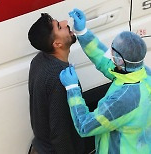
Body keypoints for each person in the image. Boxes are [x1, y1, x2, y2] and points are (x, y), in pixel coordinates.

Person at [59, 8, 151, 154]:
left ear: (120, 60)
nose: (110, 54)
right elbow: (105, 61)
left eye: (113, 52)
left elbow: (84, 125)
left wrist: (72, 89)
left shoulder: (122, 100)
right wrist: (83, 33)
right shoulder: (143, 73)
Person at [27, 13, 92, 154]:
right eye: (59, 26)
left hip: (40, 146)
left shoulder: (38, 60)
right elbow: (60, 132)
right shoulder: (60, 79)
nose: (65, 23)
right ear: (57, 44)